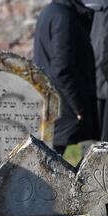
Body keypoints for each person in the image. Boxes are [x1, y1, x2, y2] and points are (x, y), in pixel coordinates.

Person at [33, 0, 100, 154]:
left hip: (53, 103)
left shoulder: (50, 11)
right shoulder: (64, 16)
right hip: (65, 107)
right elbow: (62, 69)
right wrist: (79, 107)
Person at [86, 0, 108, 140]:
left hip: (87, 77)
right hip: (102, 80)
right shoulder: (104, 8)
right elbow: (103, 50)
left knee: (90, 137)